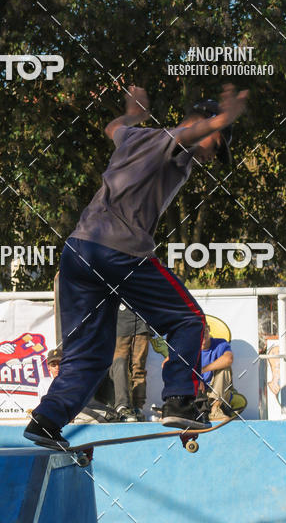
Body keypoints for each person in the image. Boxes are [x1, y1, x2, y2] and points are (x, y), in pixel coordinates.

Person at [24, 83, 249, 447]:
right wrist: (222, 119)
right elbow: (188, 133)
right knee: (189, 320)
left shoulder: (133, 136)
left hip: (78, 252)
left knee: (91, 354)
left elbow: (112, 128)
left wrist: (132, 115)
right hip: (119, 252)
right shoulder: (170, 140)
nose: (210, 157)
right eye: (216, 145)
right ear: (204, 125)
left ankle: (46, 421)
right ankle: (179, 400)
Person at [110, 304, 151, 422]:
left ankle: (138, 408)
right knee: (120, 364)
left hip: (143, 320)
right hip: (120, 320)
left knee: (139, 368)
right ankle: (122, 407)